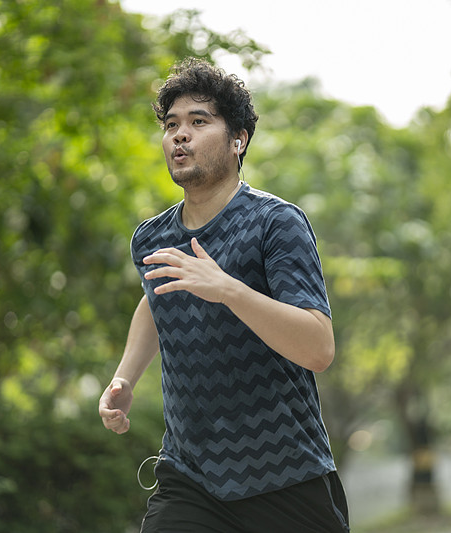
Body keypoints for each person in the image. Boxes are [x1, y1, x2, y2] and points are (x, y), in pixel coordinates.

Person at [98, 57, 350, 533]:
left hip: (285, 477)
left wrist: (229, 290)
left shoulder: (276, 224)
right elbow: (157, 297)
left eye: (199, 121)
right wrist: (125, 378)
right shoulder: (152, 239)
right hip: (189, 479)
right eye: (172, 124)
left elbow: (318, 347)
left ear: (239, 140)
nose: (180, 135)